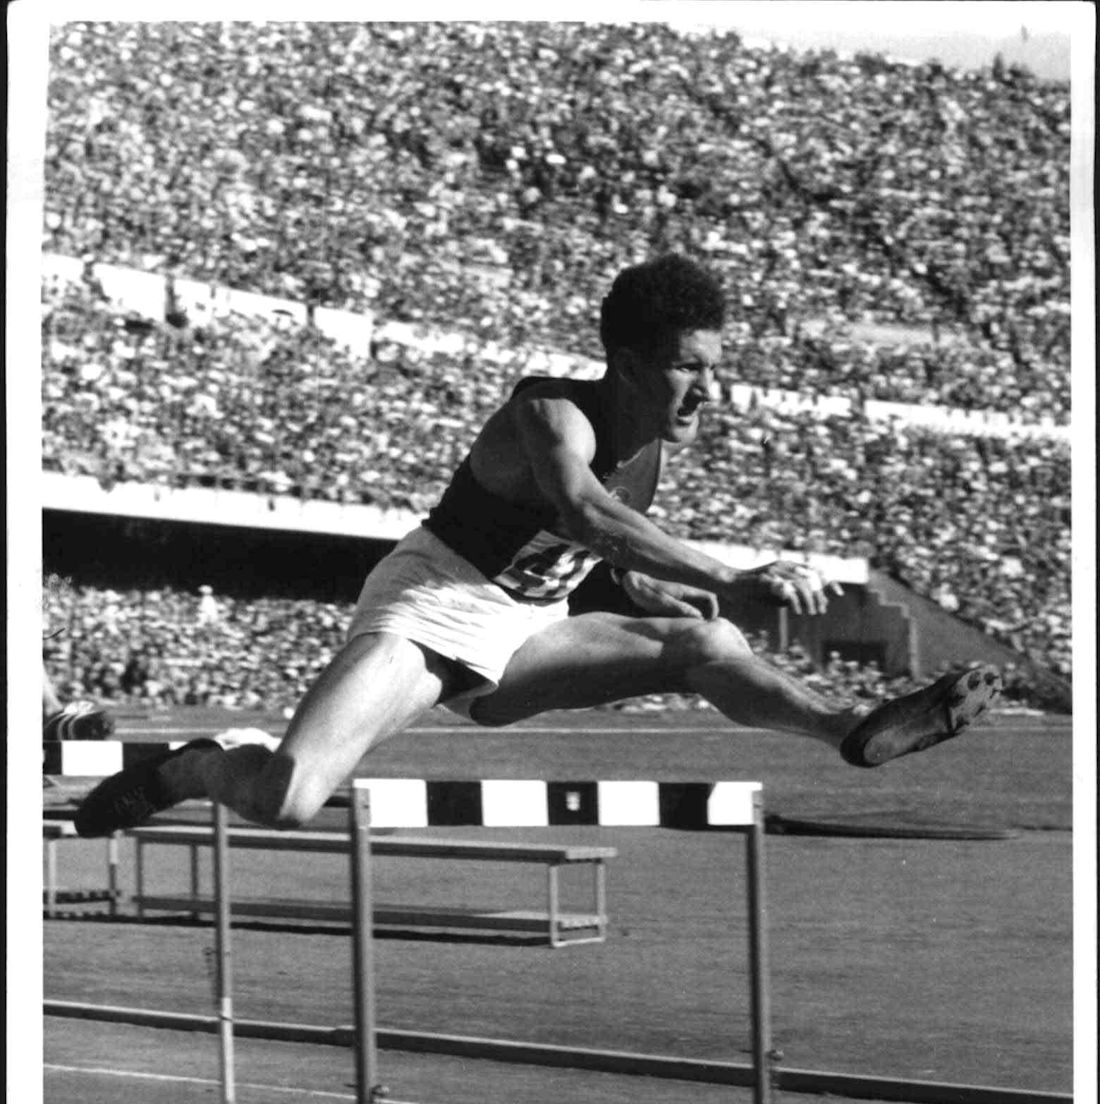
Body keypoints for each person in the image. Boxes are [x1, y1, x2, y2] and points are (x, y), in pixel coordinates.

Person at [74, 254, 1000, 838]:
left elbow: (581, 554)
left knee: (709, 641)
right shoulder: (549, 413)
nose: (709, 392)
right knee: (285, 799)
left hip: (527, 631)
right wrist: (729, 571)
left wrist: (643, 593)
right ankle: (194, 765)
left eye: (715, 369)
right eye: (690, 367)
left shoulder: (647, 451)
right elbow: (583, 514)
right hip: (434, 611)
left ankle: (850, 729)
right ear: (629, 364)